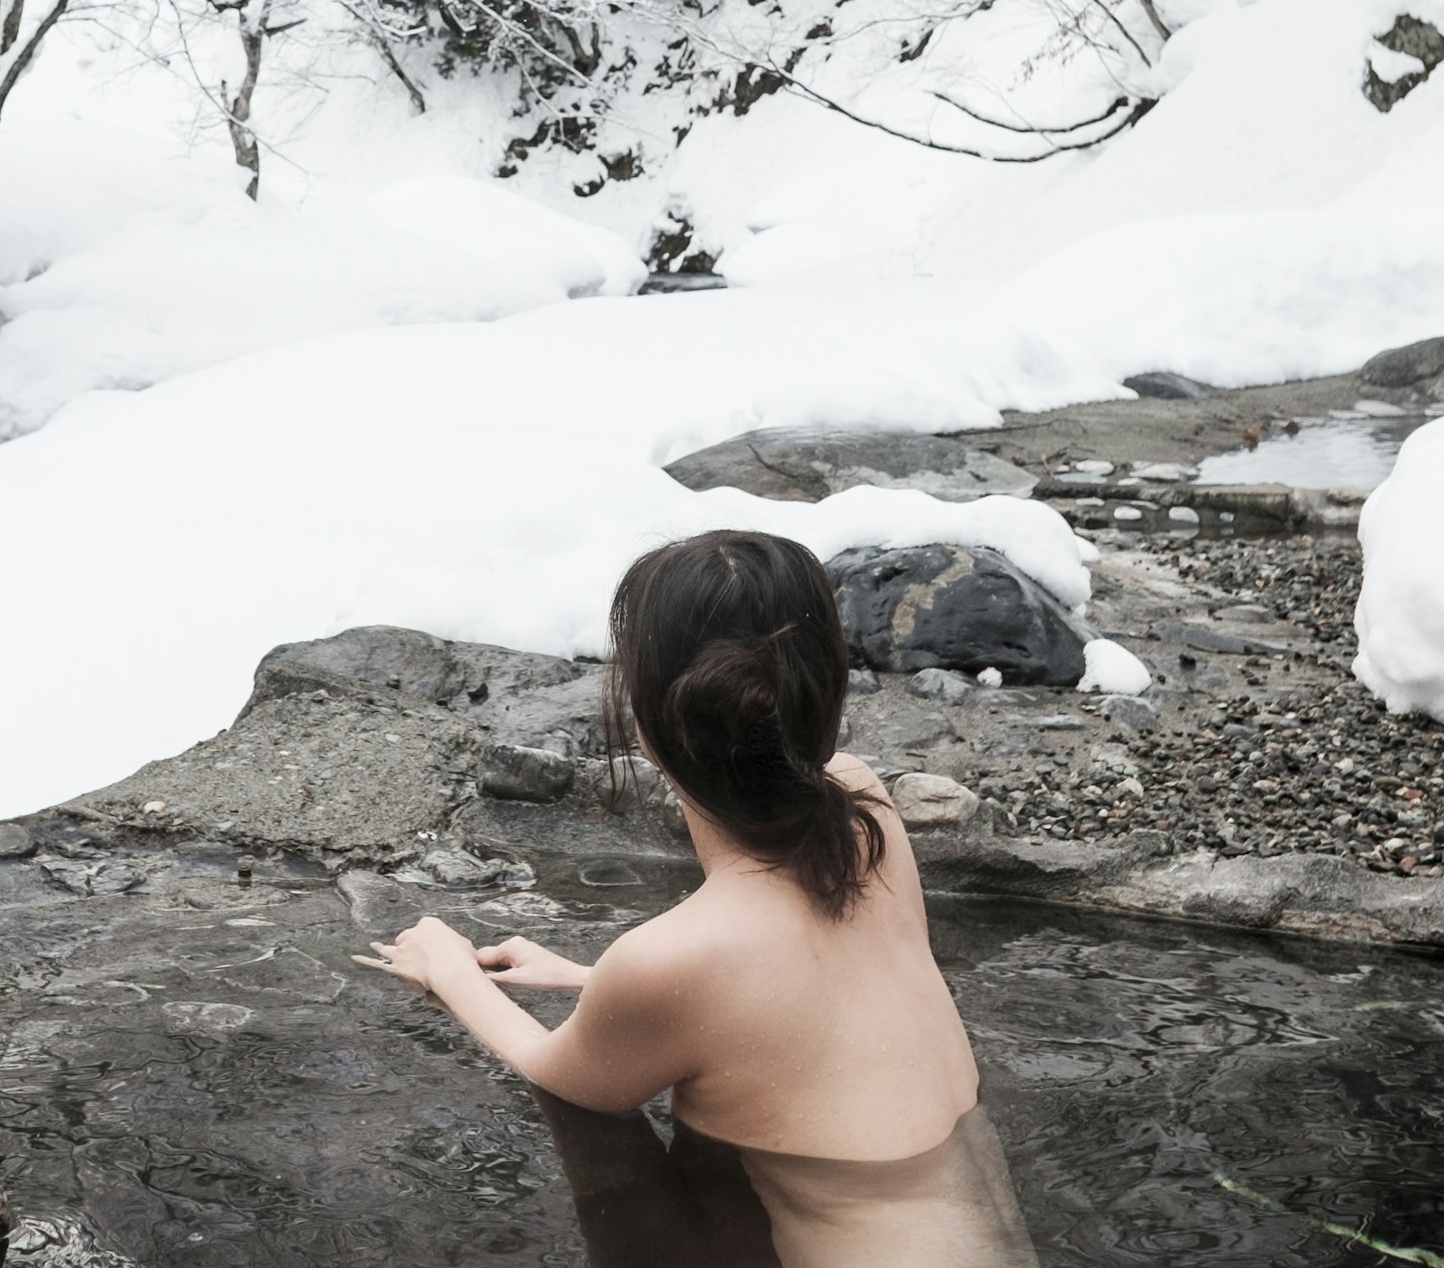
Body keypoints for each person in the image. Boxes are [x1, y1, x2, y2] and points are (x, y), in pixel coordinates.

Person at [358, 529, 1038, 1267]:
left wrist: (450, 970)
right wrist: (593, 982)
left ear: (651, 723)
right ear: (826, 690)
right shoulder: (866, 809)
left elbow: (563, 1074)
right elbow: (817, 996)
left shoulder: (675, 960)